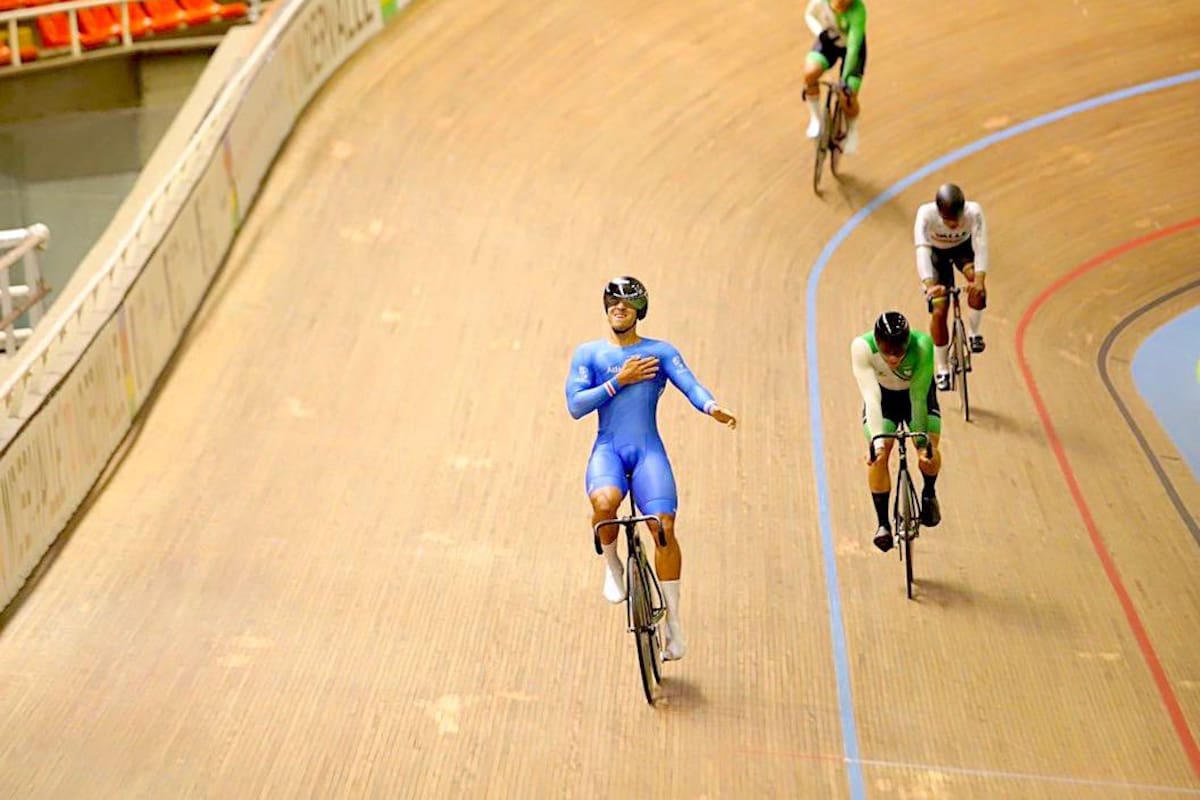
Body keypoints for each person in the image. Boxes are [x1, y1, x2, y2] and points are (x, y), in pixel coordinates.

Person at [565, 277, 737, 661]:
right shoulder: (589, 354)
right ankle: (613, 568)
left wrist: (711, 407)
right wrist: (618, 381)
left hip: (648, 452)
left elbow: (690, 384)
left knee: (663, 526)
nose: (618, 309)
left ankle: (675, 626)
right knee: (604, 503)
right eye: (612, 302)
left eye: (626, 304)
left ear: (639, 310)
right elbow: (576, 406)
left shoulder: (659, 352)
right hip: (609, 449)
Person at [851, 311, 942, 552]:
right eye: (886, 350)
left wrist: (923, 447)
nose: (892, 357)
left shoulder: (922, 345)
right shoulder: (862, 347)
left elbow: (919, 397)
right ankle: (882, 524)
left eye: (898, 350)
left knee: (929, 453)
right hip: (885, 401)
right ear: (877, 341)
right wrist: (878, 447)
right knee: (878, 458)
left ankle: (929, 492)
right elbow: (871, 398)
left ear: (908, 341)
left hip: (918, 397)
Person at [914, 183, 989, 391]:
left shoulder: (974, 212)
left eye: (957, 219)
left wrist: (979, 281)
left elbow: (980, 245)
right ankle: (942, 368)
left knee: (977, 285)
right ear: (939, 214)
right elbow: (922, 251)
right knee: (938, 310)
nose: (954, 225)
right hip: (936, 256)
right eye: (948, 221)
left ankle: (974, 333)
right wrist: (929, 285)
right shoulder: (925, 214)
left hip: (963, 251)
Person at [803, 0, 868, 154]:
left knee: (847, 95)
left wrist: (844, 80)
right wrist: (820, 33)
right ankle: (816, 118)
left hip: (852, 50)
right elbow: (809, 14)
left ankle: (852, 132)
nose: (844, 3)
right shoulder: (820, 2)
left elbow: (852, 49)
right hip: (829, 42)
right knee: (809, 74)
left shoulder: (858, 11)